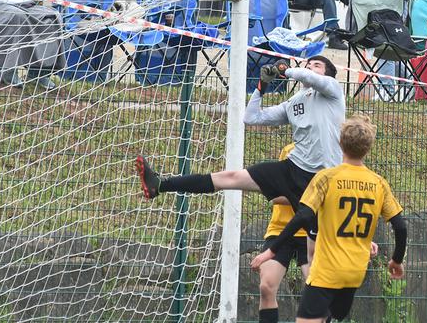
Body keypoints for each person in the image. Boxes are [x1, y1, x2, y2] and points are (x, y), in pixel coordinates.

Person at [135, 55, 344, 224]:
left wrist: (286, 70)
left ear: (328, 75)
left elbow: (314, 79)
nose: (309, 68)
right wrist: (262, 86)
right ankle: (160, 185)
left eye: (316, 65)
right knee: (231, 177)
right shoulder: (293, 102)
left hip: (325, 177)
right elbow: (251, 117)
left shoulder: (333, 91)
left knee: (318, 248)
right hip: (294, 169)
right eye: (308, 64)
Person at [251, 115, 407, 323]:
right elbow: (399, 226)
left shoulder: (329, 174)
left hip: (325, 259)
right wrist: (395, 259)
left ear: (338, 141)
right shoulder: (378, 182)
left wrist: (269, 251)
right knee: (276, 289)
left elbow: (307, 214)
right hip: (353, 271)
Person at [257, 143, 311, 323]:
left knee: (318, 289)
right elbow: (275, 196)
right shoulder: (289, 151)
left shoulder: (330, 153)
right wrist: (309, 198)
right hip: (280, 231)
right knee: (266, 286)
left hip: (311, 232)